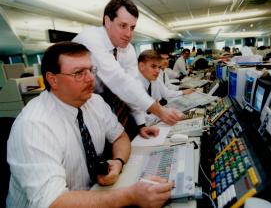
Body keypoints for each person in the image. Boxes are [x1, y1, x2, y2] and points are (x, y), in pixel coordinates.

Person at [6, 42, 174, 208]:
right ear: (53, 80)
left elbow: (120, 137)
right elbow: (53, 202)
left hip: (92, 194)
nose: (91, 78)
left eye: (91, 70)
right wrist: (130, 196)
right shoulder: (34, 126)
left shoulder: (94, 101)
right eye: (79, 73)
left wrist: (118, 161)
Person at [73, 0, 182, 132]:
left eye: (132, 27)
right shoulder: (91, 39)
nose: (129, 34)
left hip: (105, 103)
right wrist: (160, 111)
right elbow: (119, 80)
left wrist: (140, 124)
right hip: (75, 104)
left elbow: (132, 84)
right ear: (107, 21)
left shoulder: (128, 49)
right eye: (123, 26)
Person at [135, 50, 194, 125]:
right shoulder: (135, 85)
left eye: (159, 67)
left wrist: (166, 112)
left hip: (152, 121)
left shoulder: (153, 80)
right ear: (141, 66)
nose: (157, 71)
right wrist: (164, 114)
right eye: (153, 66)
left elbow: (158, 104)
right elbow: (143, 119)